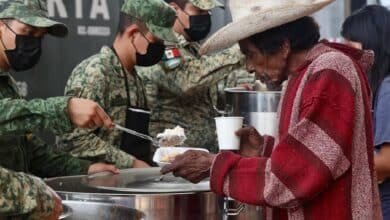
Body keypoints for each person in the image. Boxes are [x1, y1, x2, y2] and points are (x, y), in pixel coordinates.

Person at [161, 0, 382, 219]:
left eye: (250, 54)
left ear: (283, 46)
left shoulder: (330, 70)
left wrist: (215, 166)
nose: (248, 67)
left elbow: (295, 177)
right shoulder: (299, 76)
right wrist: (265, 150)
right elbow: (310, 155)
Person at [0, 0, 119, 219]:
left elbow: (28, 148)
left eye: (40, 36)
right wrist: (64, 109)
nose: (33, 42)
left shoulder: (7, 82)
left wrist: (84, 169)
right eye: (27, 31)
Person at [58, 0, 178, 166]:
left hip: (130, 185)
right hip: (96, 187)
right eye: (156, 41)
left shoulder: (136, 78)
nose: (161, 48)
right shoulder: (96, 72)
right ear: (134, 34)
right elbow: (72, 140)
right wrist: (131, 164)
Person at [137, 0, 254, 153]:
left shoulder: (191, 48)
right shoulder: (159, 46)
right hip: (172, 156)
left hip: (199, 155)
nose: (205, 17)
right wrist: (242, 49)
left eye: (207, 12)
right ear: (173, 11)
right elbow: (188, 81)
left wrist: (230, 93)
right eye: (199, 12)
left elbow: (201, 98)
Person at [341, 5, 390, 219]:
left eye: (350, 44)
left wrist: (337, 170)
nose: (345, 52)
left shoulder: (387, 89)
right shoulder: (377, 87)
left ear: (371, 44)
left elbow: (386, 162)